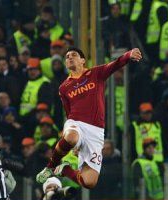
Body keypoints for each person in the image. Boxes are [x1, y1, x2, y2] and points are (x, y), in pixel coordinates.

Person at [35, 47, 142, 189]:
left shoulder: (95, 73)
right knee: (72, 137)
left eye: (74, 55)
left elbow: (115, 64)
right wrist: (73, 139)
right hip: (76, 122)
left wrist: (128, 55)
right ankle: (50, 166)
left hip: (96, 131)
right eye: (67, 56)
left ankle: (64, 169)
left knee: (89, 182)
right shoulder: (64, 87)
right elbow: (69, 112)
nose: (70, 57)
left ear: (83, 60)